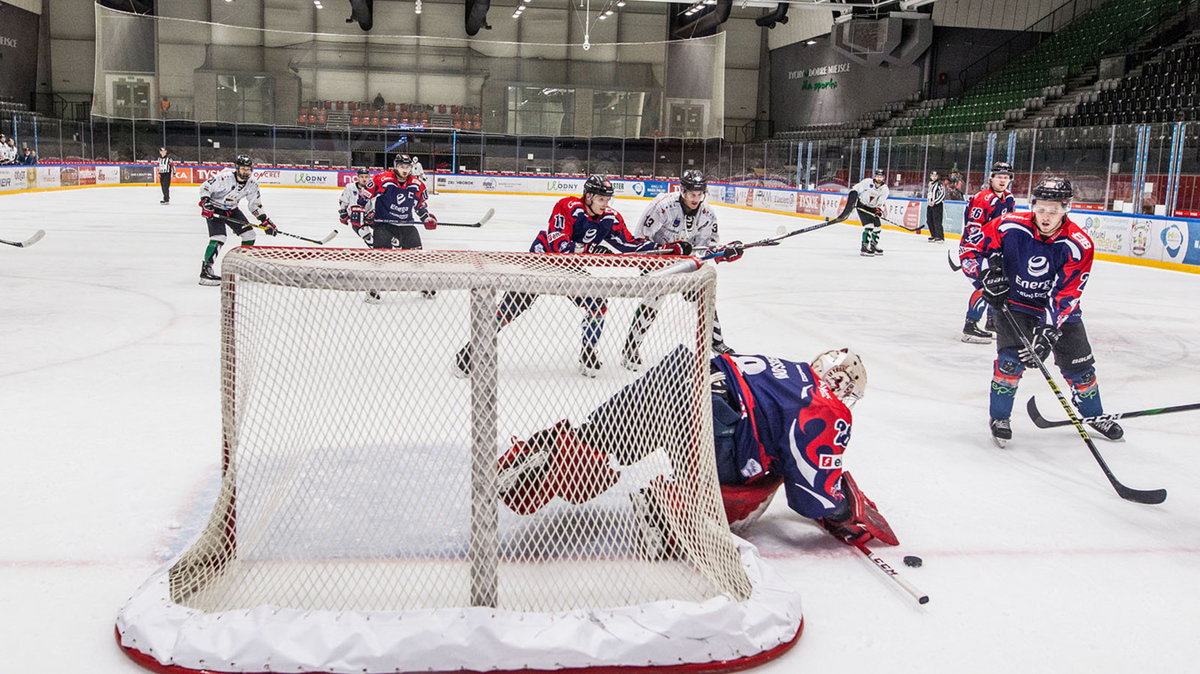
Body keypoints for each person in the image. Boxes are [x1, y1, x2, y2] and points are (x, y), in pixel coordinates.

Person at [492, 346, 898, 551]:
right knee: (766, 478)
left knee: (596, 448)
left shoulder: (784, 367)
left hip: (676, 379)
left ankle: (552, 453)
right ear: (844, 386)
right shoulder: (828, 407)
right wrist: (844, 510)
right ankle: (675, 510)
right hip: (714, 427)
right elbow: (811, 487)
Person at [453, 174, 691, 378]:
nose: (605, 204)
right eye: (600, 199)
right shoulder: (567, 207)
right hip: (541, 262)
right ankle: (470, 351)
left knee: (597, 303)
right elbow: (558, 244)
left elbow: (628, 244)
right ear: (588, 197)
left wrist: (670, 248)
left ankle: (588, 351)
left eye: (608, 199)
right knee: (510, 309)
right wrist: (588, 250)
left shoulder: (611, 218)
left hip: (570, 268)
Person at [960, 176, 1123, 447]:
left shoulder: (1078, 244)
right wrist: (984, 275)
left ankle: (1094, 415)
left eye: (1055, 210)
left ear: (1066, 208)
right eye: (1042, 209)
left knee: (1081, 370)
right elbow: (969, 250)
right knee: (1009, 364)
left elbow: (1067, 293)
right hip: (1015, 307)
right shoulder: (1007, 225)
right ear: (1033, 205)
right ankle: (1000, 417)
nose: (1047, 216)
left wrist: (1048, 331)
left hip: (1061, 313)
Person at [620, 170, 743, 370]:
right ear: (683, 191)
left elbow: (706, 248)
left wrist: (723, 253)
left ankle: (716, 342)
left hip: (687, 262)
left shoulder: (707, 214)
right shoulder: (662, 207)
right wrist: (662, 254)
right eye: (692, 194)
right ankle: (631, 348)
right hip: (659, 261)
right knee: (653, 299)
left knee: (703, 293)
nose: (696, 198)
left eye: (699, 194)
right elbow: (641, 239)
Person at [363, 153, 438, 300]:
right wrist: (364, 212)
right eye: (401, 166)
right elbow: (364, 197)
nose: (404, 170)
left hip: (406, 224)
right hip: (384, 224)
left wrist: (426, 217)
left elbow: (420, 205)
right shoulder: (383, 179)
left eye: (407, 167)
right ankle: (372, 288)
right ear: (395, 166)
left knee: (417, 257)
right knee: (380, 258)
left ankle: (424, 286)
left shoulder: (416, 184)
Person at [958, 161, 1016, 343]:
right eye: (999, 176)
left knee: (1001, 283)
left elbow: (1010, 226)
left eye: (1006, 177)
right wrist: (990, 250)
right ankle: (970, 326)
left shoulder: (1009, 199)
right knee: (986, 285)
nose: (1002, 180)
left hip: (993, 252)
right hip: (973, 252)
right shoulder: (983, 198)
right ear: (991, 178)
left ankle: (992, 322)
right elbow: (973, 230)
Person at [196, 155, 277, 286]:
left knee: (249, 234)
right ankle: (205, 272)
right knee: (219, 237)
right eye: (243, 169)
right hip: (215, 209)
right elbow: (205, 187)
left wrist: (264, 220)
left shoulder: (252, 184)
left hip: (232, 210)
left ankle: (243, 268)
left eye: (248, 169)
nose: (246, 172)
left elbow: (254, 204)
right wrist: (206, 203)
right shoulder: (224, 177)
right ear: (237, 168)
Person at [849, 169, 889, 256]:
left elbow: (881, 202)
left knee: (877, 227)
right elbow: (855, 189)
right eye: (877, 176)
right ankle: (864, 247)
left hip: (873, 208)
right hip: (862, 206)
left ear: (883, 178)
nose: (879, 178)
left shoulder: (885, 189)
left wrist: (878, 211)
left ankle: (873, 246)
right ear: (875, 176)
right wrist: (853, 197)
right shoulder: (867, 182)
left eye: (881, 177)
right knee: (869, 226)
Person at [338, 167, 374, 245]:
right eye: (361, 177)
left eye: (366, 177)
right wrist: (343, 212)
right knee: (368, 238)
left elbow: (377, 202)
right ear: (357, 177)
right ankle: (377, 254)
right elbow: (343, 201)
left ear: (369, 177)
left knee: (385, 235)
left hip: (371, 217)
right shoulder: (350, 187)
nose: (364, 179)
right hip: (356, 219)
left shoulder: (373, 188)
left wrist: (374, 212)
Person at [925, 170, 946, 242]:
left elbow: (942, 194)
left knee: (937, 220)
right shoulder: (930, 184)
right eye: (932, 176)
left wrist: (935, 202)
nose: (934, 177)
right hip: (930, 205)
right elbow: (929, 195)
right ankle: (933, 235)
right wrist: (929, 202)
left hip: (937, 205)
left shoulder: (940, 184)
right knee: (929, 220)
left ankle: (940, 236)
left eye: (935, 176)